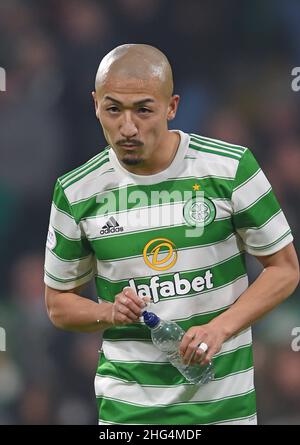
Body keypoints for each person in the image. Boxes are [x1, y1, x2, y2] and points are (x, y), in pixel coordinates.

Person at [44, 44, 299, 425]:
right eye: (113, 109)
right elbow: (57, 303)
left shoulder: (229, 169)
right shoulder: (76, 191)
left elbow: (285, 270)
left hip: (223, 408)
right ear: (96, 104)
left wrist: (220, 328)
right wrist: (109, 312)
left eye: (143, 109)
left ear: (172, 107)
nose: (127, 127)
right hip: (128, 412)